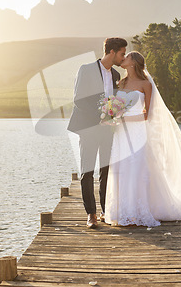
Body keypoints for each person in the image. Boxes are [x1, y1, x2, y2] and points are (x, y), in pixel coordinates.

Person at [105, 51, 181, 227]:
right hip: (121, 133)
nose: (123, 59)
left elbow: (148, 114)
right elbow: (116, 106)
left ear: (133, 63)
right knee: (122, 168)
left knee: (137, 167)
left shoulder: (145, 84)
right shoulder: (122, 82)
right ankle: (124, 210)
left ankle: (141, 210)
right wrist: (113, 117)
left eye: (126, 57)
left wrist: (126, 119)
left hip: (138, 131)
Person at [67, 37, 127, 229]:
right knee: (87, 171)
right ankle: (90, 214)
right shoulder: (86, 69)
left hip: (108, 130)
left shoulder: (116, 75)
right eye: (121, 53)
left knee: (106, 171)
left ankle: (104, 211)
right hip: (88, 128)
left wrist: (113, 117)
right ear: (111, 52)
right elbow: (79, 99)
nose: (122, 57)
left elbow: (116, 101)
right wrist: (99, 117)